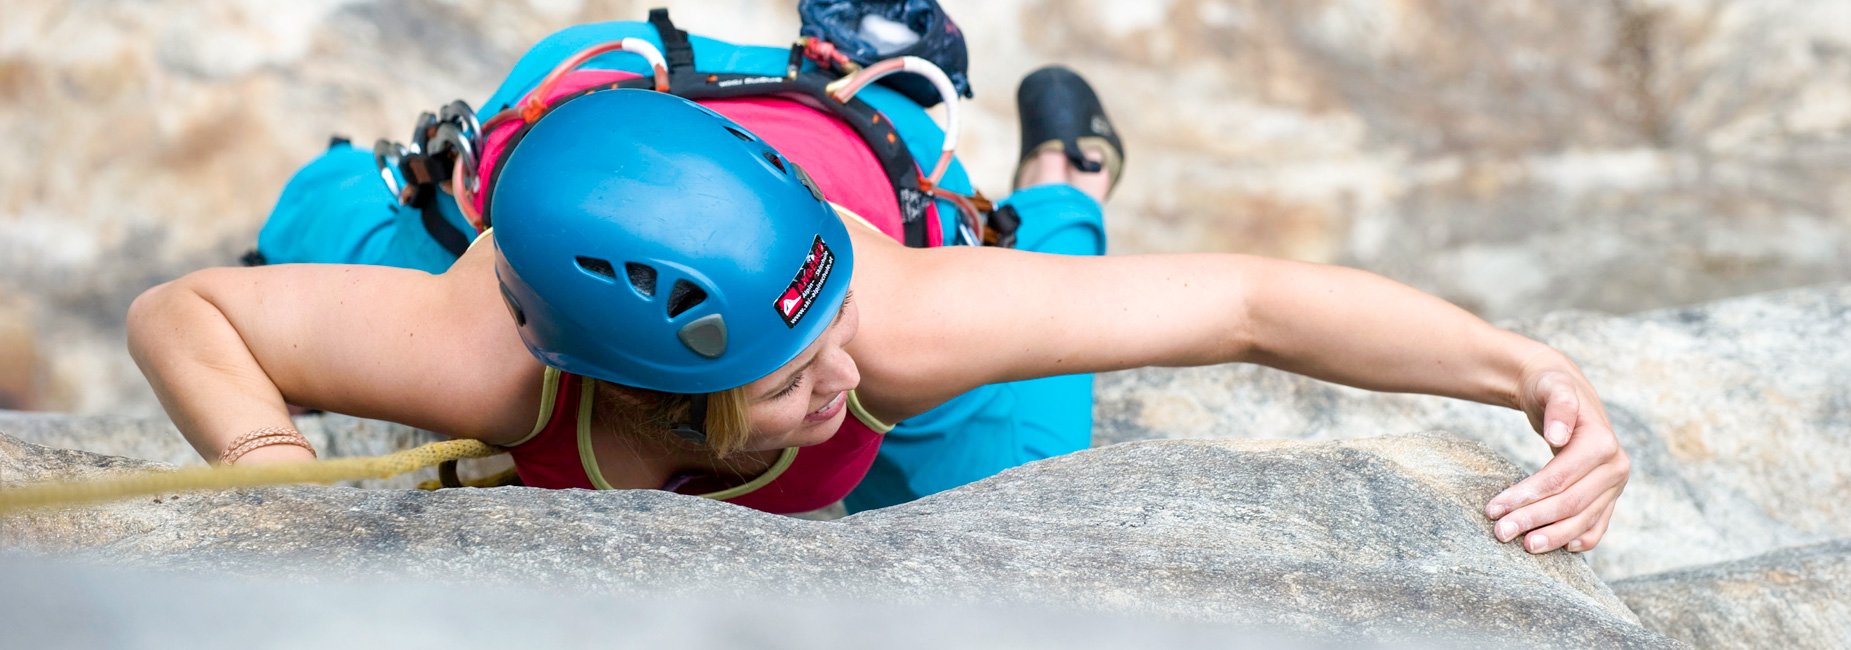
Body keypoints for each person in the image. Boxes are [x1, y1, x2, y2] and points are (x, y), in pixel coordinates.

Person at [126, 20, 1629, 556]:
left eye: (822, 328)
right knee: (329, 224)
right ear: (647, 391)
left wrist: (1526, 371)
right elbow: (181, 312)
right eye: (784, 381)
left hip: (831, 182)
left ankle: (1055, 178)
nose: (833, 374)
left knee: (1038, 465)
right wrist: (275, 476)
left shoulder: (883, 317)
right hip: (590, 165)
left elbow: (1249, 302)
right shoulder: (483, 358)